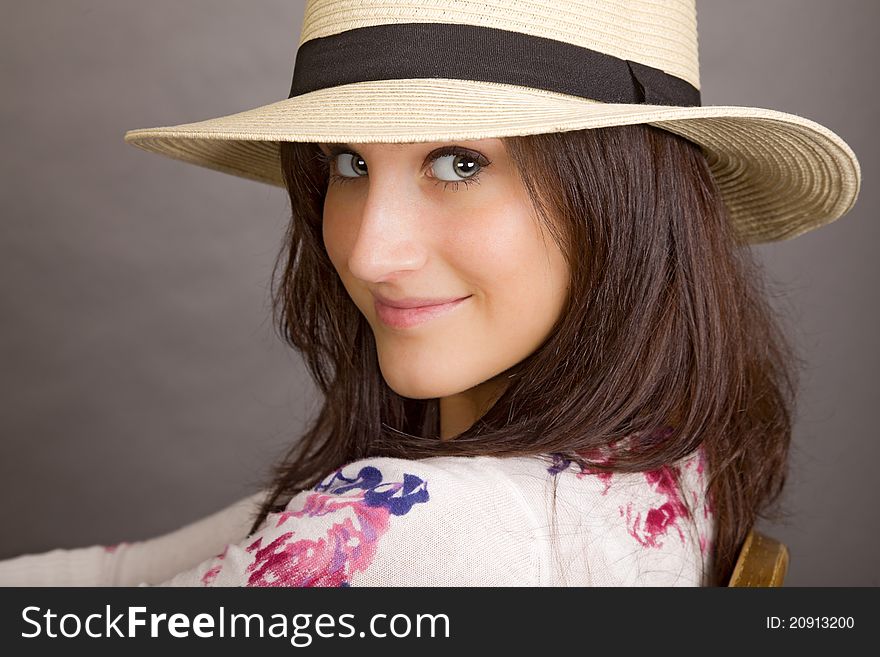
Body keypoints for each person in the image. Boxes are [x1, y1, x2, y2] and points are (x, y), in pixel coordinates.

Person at [0, 0, 861, 587]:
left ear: (622, 197)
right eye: (348, 163)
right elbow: (124, 580)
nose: (371, 251)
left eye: (460, 163)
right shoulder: (658, 444)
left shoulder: (430, 533)